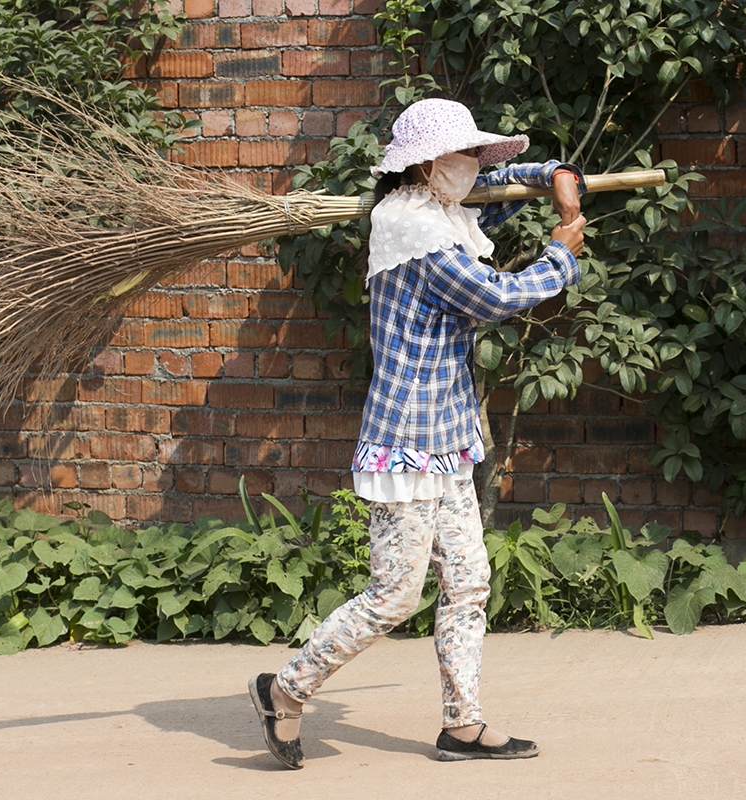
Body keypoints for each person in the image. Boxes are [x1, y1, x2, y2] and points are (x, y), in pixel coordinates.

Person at [247, 98, 587, 769]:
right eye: (464, 155)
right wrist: (562, 247)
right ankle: (285, 689)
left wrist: (552, 173)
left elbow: (496, 194)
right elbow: (495, 297)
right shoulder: (412, 230)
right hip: (406, 438)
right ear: (431, 164)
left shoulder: (440, 210)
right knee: (395, 595)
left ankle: (463, 724)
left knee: (468, 582)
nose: (474, 166)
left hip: (448, 433)